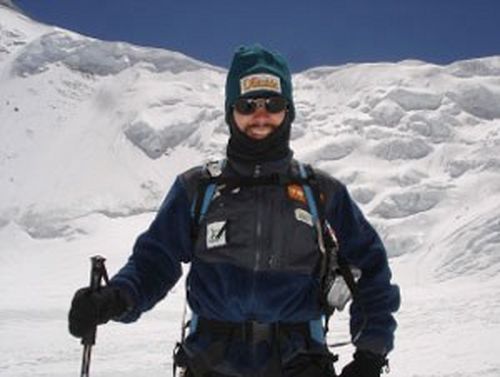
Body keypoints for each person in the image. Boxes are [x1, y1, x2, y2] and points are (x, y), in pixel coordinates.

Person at [69, 44, 400, 377]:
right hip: (211, 363)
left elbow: (371, 267)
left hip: (300, 363)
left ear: (288, 110)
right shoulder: (197, 188)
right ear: (231, 111)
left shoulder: (321, 192)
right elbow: (155, 260)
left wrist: (371, 353)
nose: (260, 115)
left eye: (272, 104)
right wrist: (115, 298)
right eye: (247, 104)